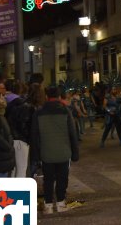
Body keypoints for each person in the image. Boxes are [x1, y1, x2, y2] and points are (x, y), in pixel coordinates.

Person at [30, 86, 79, 214]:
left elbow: (34, 135)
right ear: (59, 97)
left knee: (48, 179)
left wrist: (35, 155)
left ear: (46, 97)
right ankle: (61, 203)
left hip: (46, 152)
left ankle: (48, 205)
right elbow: (73, 133)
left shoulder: (38, 113)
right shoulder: (65, 111)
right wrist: (75, 153)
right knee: (62, 178)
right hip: (64, 151)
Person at [5, 80, 31, 177]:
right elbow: (23, 124)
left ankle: (10, 191)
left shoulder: (5, 101)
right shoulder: (23, 105)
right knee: (21, 169)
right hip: (21, 140)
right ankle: (19, 191)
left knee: (12, 169)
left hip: (9, 139)